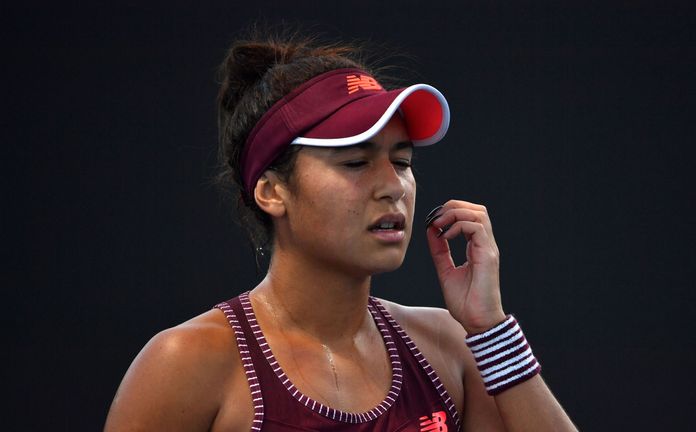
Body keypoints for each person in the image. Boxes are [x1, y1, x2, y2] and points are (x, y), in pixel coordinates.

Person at [104, 30, 578, 432]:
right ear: (271, 191)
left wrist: (491, 330)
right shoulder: (187, 362)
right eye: (356, 161)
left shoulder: (449, 347)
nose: (393, 187)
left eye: (402, 161)